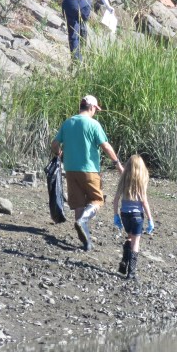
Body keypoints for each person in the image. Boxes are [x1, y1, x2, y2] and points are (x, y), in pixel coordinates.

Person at [51, 95, 124, 252]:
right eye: (95, 110)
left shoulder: (68, 122)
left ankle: (86, 242)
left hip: (70, 170)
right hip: (90, 170)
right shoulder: (93, 124)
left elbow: (55, 144)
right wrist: (117, 164)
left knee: (78, 203)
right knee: (97, 200)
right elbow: (106, 146)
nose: (95, 113)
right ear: (91, 108)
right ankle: (83, 221)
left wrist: (59, 153)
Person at [112, 154, 154, 281]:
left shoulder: (123, 181)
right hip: (137, 216)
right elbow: (144, 202)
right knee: (136, 243)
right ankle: (131, 273)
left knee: (129, 237)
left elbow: (115, 200)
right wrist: (150, 219)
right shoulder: (140, 182)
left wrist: (116, 216)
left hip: (125, 215)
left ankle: (124, 262)